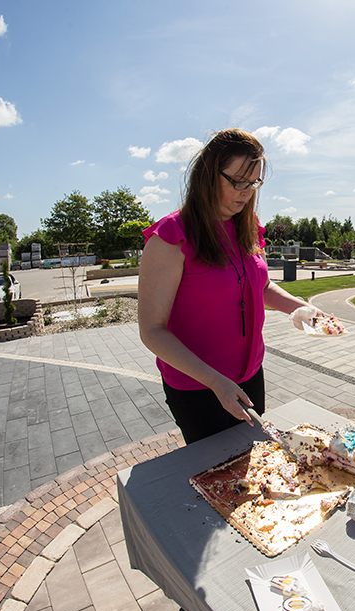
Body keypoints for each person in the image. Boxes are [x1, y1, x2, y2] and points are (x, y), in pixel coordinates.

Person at [138, 129, 313, 444]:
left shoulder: (248, 227)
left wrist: (301, 308)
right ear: (207, 174)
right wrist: (215, 381)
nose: (246, 192)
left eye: (254, 182)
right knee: (218, 474)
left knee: (252, 459)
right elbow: (152, 330)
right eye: (238, 181)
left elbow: (261, 286)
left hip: (249, 375)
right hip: (198, 385)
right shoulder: (170, 236)